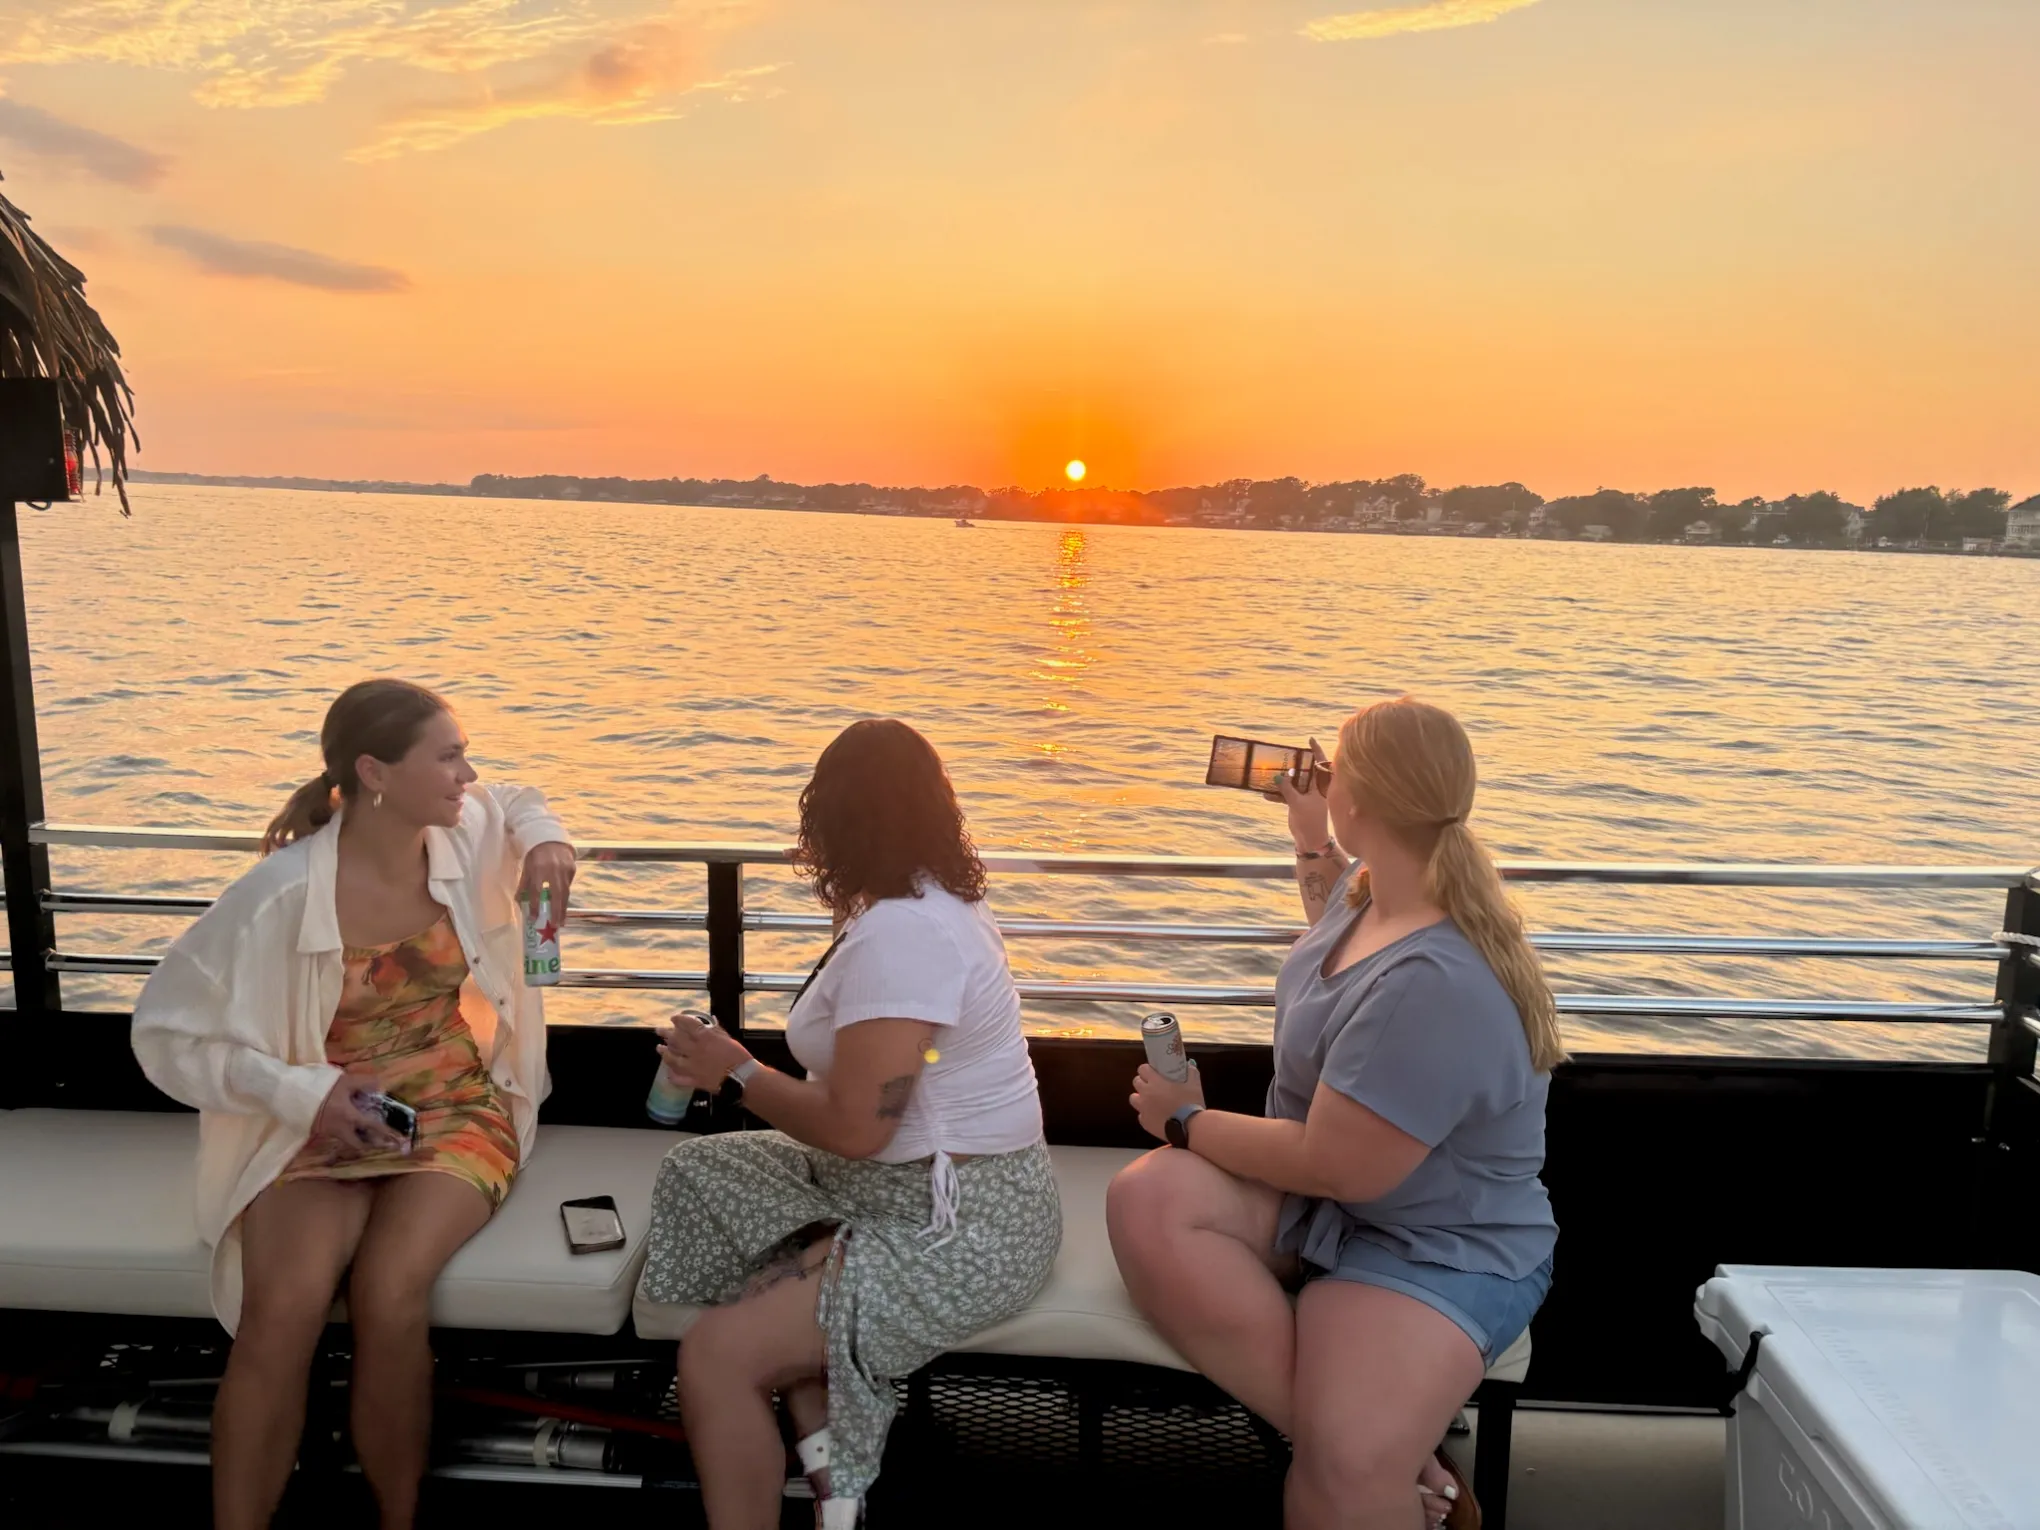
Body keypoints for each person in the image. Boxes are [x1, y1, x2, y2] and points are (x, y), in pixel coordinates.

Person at [130, 679, 577, 1530]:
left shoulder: (462, 830)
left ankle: (394, 1519)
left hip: (452, 1101)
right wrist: (300, 1092)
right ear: (375, 771)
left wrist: (546, 839)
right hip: (317, 1113)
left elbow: (512, 797)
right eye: (446, 756)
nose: (465, 772)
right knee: (282, 1308)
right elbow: (165, 1032)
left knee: (388, 1288)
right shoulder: (279, 894)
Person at [1106, 697, 1561, 1530]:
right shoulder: (1371, 888)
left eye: (1334, 773)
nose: (1321, 782)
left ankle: (1367, 1460)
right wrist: (1311, 838)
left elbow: (1335, 1163)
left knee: (1338, 1481)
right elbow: (1331, 933)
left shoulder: (1434, 982)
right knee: (1148, 1199)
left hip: (1430, 1246)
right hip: (1335, 1210)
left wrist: (1185, 1120)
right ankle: (1404, 1456)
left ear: (1366, 800)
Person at [641, 719, 1061, 1530]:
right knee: (701, 1175)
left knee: (714, 1359)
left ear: (828, 822)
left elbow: (861, 1127)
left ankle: (787, 1367)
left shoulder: (906, 937)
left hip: (963, 1220)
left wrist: (734, 1071)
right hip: (894, 1180)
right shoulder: (920, 898)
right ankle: (822, 1434)